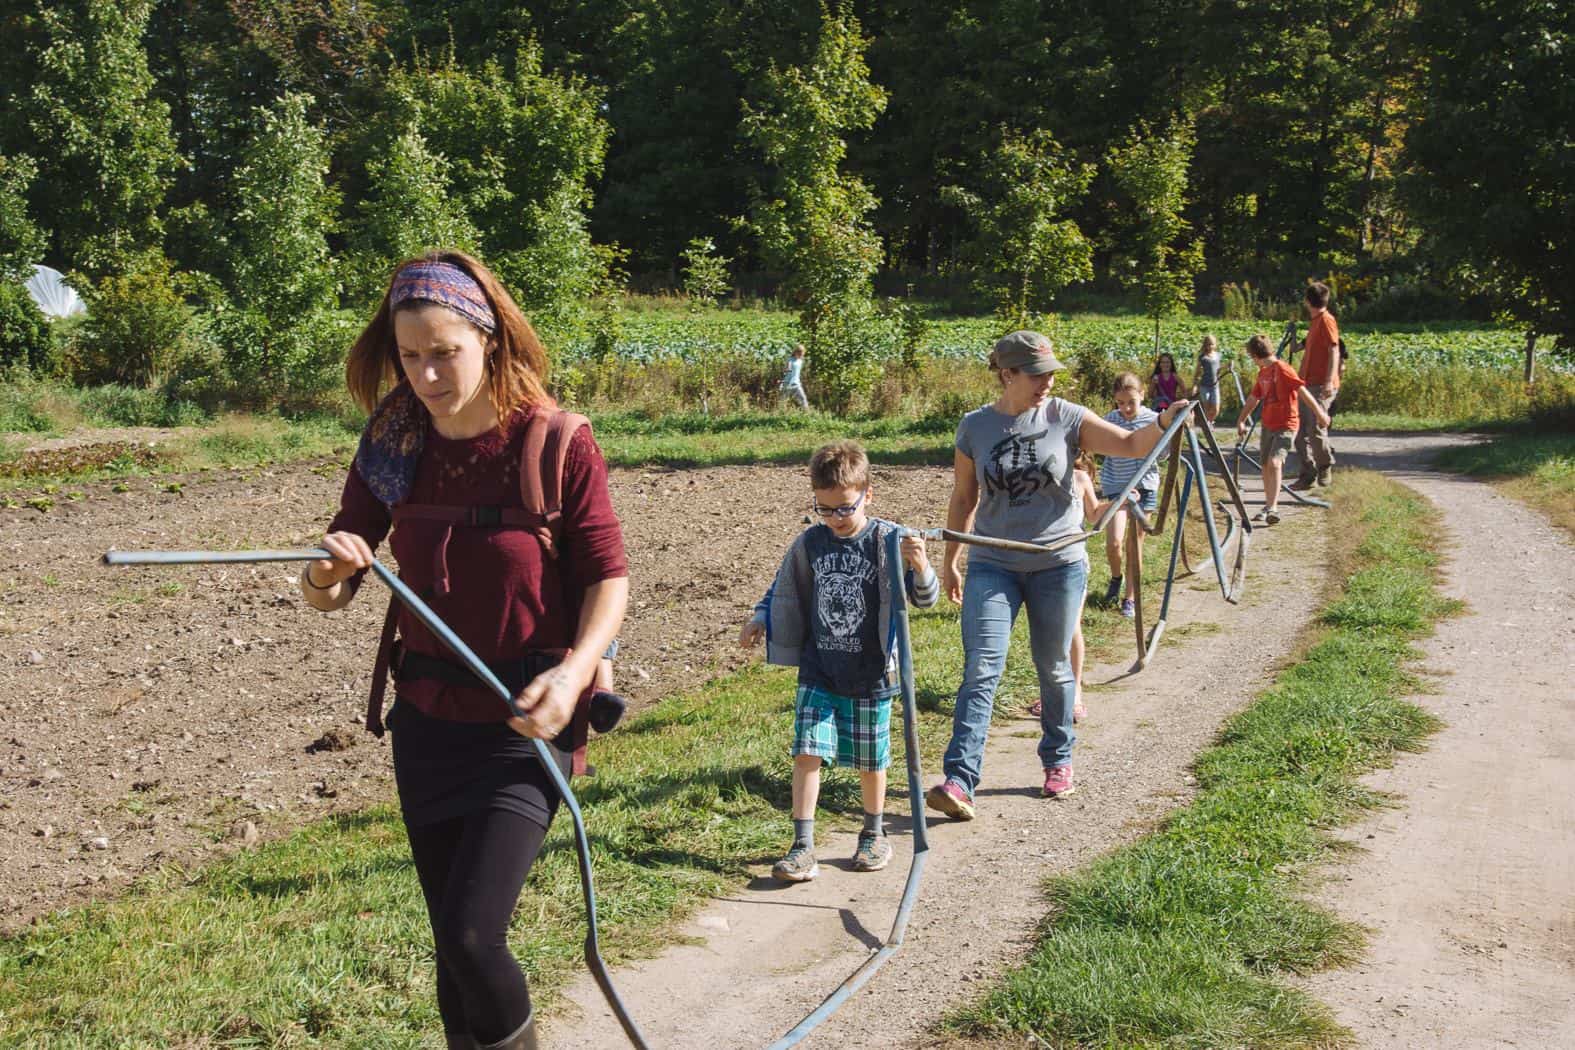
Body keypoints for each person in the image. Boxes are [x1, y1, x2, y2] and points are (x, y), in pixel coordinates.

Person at [301, 252, 629, 1050]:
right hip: (426, 723)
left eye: (443, 351)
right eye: (410, 356)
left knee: (476, 937)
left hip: (524, 729)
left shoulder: (555, 441)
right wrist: (325, 573)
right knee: (451, 947)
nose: (425, 374)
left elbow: (607, 579)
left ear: (489, 339)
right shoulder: (393, 442)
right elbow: (332, 589)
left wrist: (574, 670)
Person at [928, 331, 1190, 812]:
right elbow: (964, 497)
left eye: (1051, 372)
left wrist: (1167, 419)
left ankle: (1057, 759)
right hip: (993, 560)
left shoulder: (1065, 416)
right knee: (982, 667)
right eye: (1036, 374)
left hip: (1058, 562)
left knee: (1053, 666)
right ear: (1007, 374)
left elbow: (1132, 443)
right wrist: (951, 560)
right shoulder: (974, 428)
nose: (1047, 381)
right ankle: (960, 780)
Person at [740, 440, 938, 882]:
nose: (835, 519)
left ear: (868, 494)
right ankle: (802, 845)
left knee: (871, 759)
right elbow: (782, 586)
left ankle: (872, 833)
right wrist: (760, 615)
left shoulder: (889, 541)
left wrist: (921, 565)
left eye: (844, 509)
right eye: (824, 509)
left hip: (871, 673)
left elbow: (924, 600)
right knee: (807, 751)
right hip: (820, 668)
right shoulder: (811, 543)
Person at [1027, 450, 1104, 725]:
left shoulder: (1080, 478)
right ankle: (1051, 692)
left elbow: (1094, 514)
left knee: (1070, 627)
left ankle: (1076, 692)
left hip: (1071, 563)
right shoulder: (1036, 478)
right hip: (1039, 563)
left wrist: (1120, 502)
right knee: (1046, 631)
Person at [1234, 332, 1332, 526]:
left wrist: (1320, 414)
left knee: (1275, 462)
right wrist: (1241, 420)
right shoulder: (1263, 372)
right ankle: (1268, 504)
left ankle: (1273, 508)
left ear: (1255, 355)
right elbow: (1254, 398)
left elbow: (1302, 391)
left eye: (1251, 357)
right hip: (1268, 424)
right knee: (1265, 466)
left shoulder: (1283, 369)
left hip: (1286, 425)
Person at [1098, 374, 1160, 619]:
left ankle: (1130, 598)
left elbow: (1164, 454)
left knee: (1135, 545)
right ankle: (1116, 578)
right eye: (1120, 402)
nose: (1125, 408)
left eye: (1131, 402)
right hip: (1116, 486)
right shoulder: (1110, 420)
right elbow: (1099, 448)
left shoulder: (1153, 420)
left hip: (1144, 487)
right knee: (1114, 542)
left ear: (1142, 395)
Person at [1292, 282, 1340, 488]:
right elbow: (1295, 348)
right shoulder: (1315, 322)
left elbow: (1334, 351)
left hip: (1320, 384)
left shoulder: (1326, 320)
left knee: (1316, 428)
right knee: (1299, 430)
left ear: (1307, 301)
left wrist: (1329, 380)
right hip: (1306, 384)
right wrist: (1293, 333)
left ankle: (1324, 466)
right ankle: (1308, 473)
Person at [1192, 334, 1223, 424]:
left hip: (1215, 386)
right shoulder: (1202, 357)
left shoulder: (1218, 355)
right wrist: (1195, 385)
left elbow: (1219, 369)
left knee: (1216, 408)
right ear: (1205, 345)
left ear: (1215, 345)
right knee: (1207, 407)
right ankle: (1208, 424)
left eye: (1212, 344)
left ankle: (1210, 421)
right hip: (1204, 386)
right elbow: (1197, 372)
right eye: (1208, 344)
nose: (1210, 346)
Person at [779, 343, 809, 409]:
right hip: (787, 383)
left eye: (803, 352)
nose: (802, 354)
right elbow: (786, 369)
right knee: (783, 401)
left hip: (796, 383)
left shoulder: (801, 361)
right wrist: (787, 369)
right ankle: (780, 414)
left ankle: (807, 414)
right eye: (800, 352)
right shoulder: (790, 359)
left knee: (803, 398)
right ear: (796, 352)